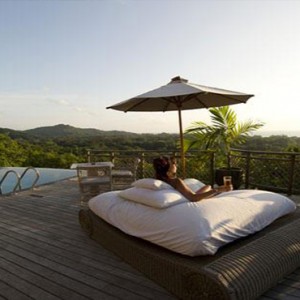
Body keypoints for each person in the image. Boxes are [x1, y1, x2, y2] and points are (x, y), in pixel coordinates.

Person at [153, 156, 232, 202]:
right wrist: (217, 190)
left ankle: (217, 192)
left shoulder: (158, 180)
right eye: (173, 164)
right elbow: (193, 198)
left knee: (207, 187)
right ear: (168, 171)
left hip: (187, 196)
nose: (175, 165)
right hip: (192, 197)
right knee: (208, 187)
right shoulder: (176, 181)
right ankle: (219, 192)